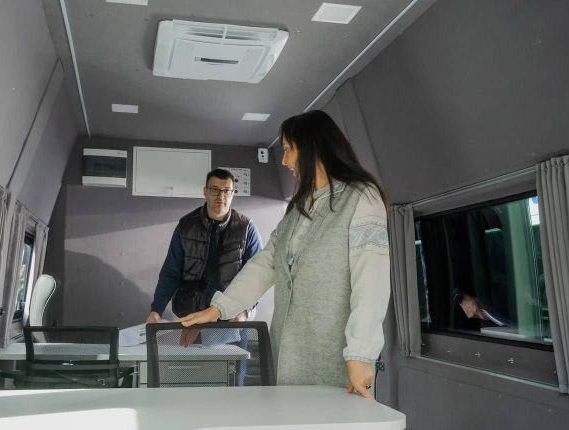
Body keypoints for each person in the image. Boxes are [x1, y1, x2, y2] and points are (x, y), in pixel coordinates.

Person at [178, 110, 390, 399]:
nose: (284, 160)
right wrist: (219, 309)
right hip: (287, 353)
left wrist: (361, 353)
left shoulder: (361, 197)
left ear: (311, 147)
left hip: (336, 357)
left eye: (288, 149)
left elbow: (371, 282)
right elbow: (266, 263)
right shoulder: (298, 208)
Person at [147, 169, 263, 327]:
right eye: (215, 190)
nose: (221, 196)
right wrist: (156, 310)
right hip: (190, 316)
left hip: (230, 318)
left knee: (235, 346)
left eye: (226, 191)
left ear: (232, 194)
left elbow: (256, 277)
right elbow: (170, 272)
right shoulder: (186, 226)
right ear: (205, 192)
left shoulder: (247, 229)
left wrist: (245, 312)